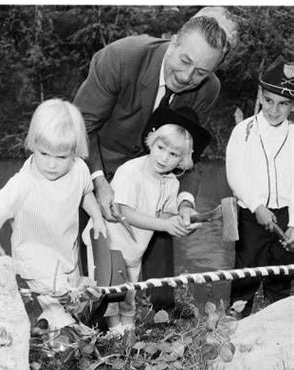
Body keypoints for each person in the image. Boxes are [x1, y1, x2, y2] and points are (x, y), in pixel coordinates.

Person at [74, 9, 237, 309]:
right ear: (172, 42)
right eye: (185, 61)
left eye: (201, 72)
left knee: (161, 293)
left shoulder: (208, 90)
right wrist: (98, 183)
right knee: (93, 280)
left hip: (156, 182)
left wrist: (185, 202)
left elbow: (189, 152)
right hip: (96, 168)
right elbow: (81, 125)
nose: (188, 77)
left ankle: (157, 329)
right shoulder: (122, 58)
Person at [0, 98, 107, 331]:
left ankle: (46, 327)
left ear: (75, 151)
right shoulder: (24, 183)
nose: (52, 164)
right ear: (33, 145)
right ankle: (68, 336)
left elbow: (86, 193)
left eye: (61, 157)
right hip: (34, 257)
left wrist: (97, 217)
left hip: (66, 251)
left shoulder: (79, 169)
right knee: (56, 302)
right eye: (44, 154)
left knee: (72, 298)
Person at [85, 107, 211, 334]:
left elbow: (165, 215)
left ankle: (128, 327)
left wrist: (182, 221)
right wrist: (164, 225)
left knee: (129, 292)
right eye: (161, 148)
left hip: (134, 250)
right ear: (151, 143)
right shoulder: (130, 171)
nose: (164, 158)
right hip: (109, 246)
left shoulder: (172, 182)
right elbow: (125, 212)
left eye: (173, 155)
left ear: (183, 160)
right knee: (110, 293)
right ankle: (115, 333)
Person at [226, 56, 294, 318]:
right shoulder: (244, 131)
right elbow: (235, 175)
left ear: (291, 106)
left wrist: (293, 224)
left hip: (286, 217)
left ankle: (277, 330)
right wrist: (257, 206)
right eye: (269, 101)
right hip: (252, 217)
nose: (274, 110)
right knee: (246, 274)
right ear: (261, 96)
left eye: (283, 104)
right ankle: (236, 323)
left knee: (281, 276)